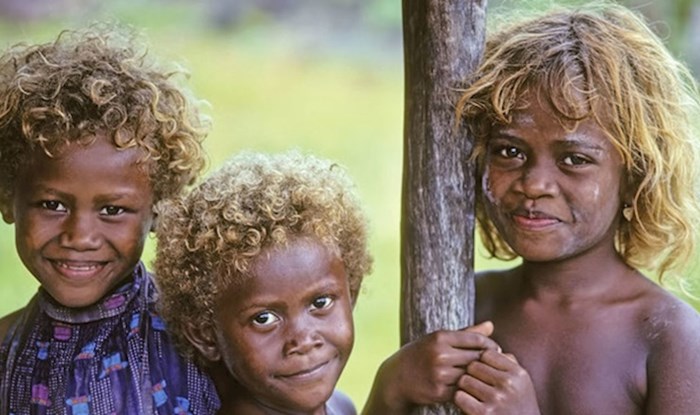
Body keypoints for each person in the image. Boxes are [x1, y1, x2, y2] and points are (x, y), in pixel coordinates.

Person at [362, 2, 700, 414]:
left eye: (574, 159)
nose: (535, 184)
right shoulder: (465, 304)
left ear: (636, 176)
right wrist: (390, 389)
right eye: (510, 151)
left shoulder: (669, 339)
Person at [0, 24, 220, 414]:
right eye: (52, 205)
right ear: (7, 199)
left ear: (158, 210)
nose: (80, 236)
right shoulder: (3, 353)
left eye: (112, 210)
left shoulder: (204, 342)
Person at [153, 151, 373, 415]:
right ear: (206, 335)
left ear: (352, 292)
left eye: (320, 302)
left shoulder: (340, 405)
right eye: (264, 318)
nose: (302, 340)